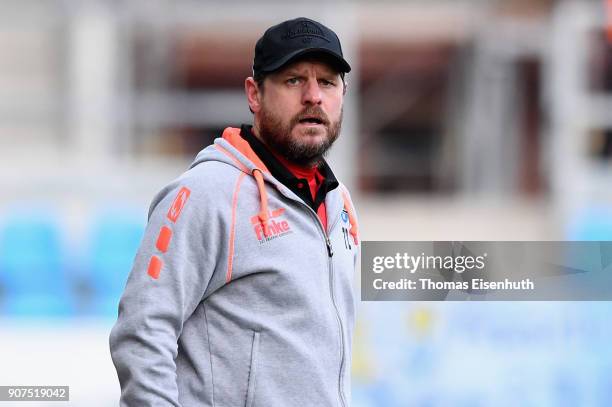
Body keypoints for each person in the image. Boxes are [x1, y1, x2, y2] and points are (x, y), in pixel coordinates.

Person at [109, 16, 359, 407]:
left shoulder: (339, 202)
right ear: (254, 94)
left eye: (327, 82)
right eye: (294, 80)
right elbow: (142, 332)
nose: (313, 96)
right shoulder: (207, 193)